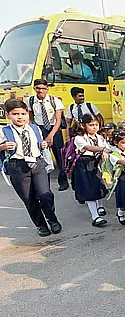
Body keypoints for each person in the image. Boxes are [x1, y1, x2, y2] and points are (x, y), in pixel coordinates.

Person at [0, 99, 62, 237]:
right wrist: (3, 147)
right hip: (18, 166)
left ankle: (52, 219)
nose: (20, 117)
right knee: (29, 199)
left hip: (37, 163)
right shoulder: (3, 131)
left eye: (23, 113)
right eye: (15, 114)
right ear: (8, 115)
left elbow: (40, 144)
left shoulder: (34, 128)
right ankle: (41, 225)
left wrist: (43, 145)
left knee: (45, 195)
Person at [27, 79, 68, 191]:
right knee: (43, 158)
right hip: (40, 129)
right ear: (34, 88)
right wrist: (33, 132)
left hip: (54, 129)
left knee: (60, 156)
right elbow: (31, 119)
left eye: (43, 88)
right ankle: (45, 185)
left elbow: (58, 120)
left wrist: (51, 136)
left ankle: (63, 181)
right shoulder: (30, 101)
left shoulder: (54, 101)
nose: (41, 91)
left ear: (47, 89)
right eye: (38, 88)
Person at [72, 114, 109, 227]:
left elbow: (106, 148)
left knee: (99, 186)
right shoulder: (79, 138)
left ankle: (99, 206)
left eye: (96, 124)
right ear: (83, 125)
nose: (94, 127)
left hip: (98, 163)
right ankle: (95, 216)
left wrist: (105, 153)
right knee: (89, 189)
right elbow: (88, 147)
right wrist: (103, 150)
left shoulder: (100, 137)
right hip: (85, 164)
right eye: (91, 125)